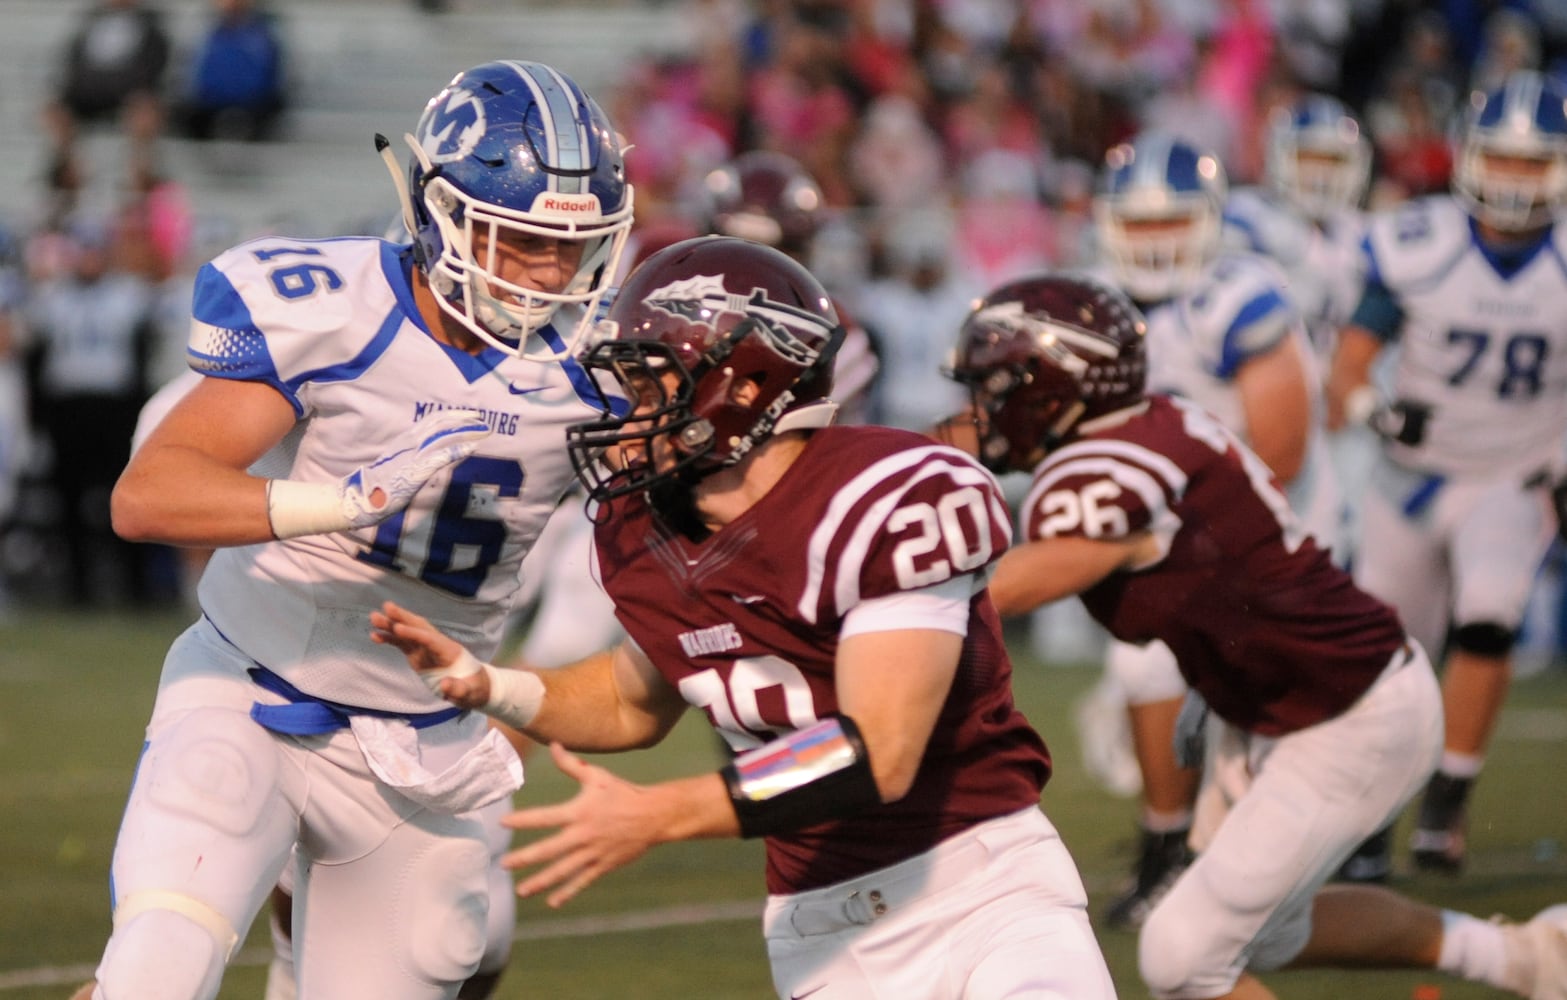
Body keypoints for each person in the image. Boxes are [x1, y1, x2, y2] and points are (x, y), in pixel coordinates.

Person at [371, 235, 1118, 1000]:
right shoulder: (642, 524)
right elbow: (634, 696)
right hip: (822, 930)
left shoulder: (893, 493)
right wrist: (489, 685)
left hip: (980, 889)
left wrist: (660, 813)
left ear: (741, 388)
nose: (624, 411)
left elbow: (878, 750)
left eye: (648, 384)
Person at [69, 59, 634, 1000]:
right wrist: (339, 504)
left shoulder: (607, 371)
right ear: (439, 213)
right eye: (516, 240)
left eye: (568, 248)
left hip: (428, 744)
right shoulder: (332, 304)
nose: (549, 274)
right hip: (247, 688)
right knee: (156, 969)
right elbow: (149, 495)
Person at [939, 269, 1567, 1000]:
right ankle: (1523, 957)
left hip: (1346, 715)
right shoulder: (1156, 423)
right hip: (1291, 699)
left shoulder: (1098, 472)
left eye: (998, 385)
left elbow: (1038, 573)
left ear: (1057, 385)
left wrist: (894, 608)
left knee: (1182, 955)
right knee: (1266, 932)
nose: (982, 406)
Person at [1085, 129, 1344, 925]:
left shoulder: (1241, 294)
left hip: (1273, 520)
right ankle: (1167, 846)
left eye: (1169, 223)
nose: (1153, 242)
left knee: (1264, 712)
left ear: (1207, 221)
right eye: (1138, 224)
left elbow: (1283, 446)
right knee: (1139, 671)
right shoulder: (1093, 301)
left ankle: (1298, 858)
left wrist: (1176, 534)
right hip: (1169, 525)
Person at [1326, 68, 1567, 876]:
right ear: (1469, 157)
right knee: (1390, 654)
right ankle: (1368, 821)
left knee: (1489, 618)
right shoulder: (1418, 244)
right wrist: (1377, 413)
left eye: (1532, 163)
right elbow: (1347, 370)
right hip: (1412, 479)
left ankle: (1448, 797)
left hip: (1510, 478)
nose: (1513, 178)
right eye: (1501, 158)